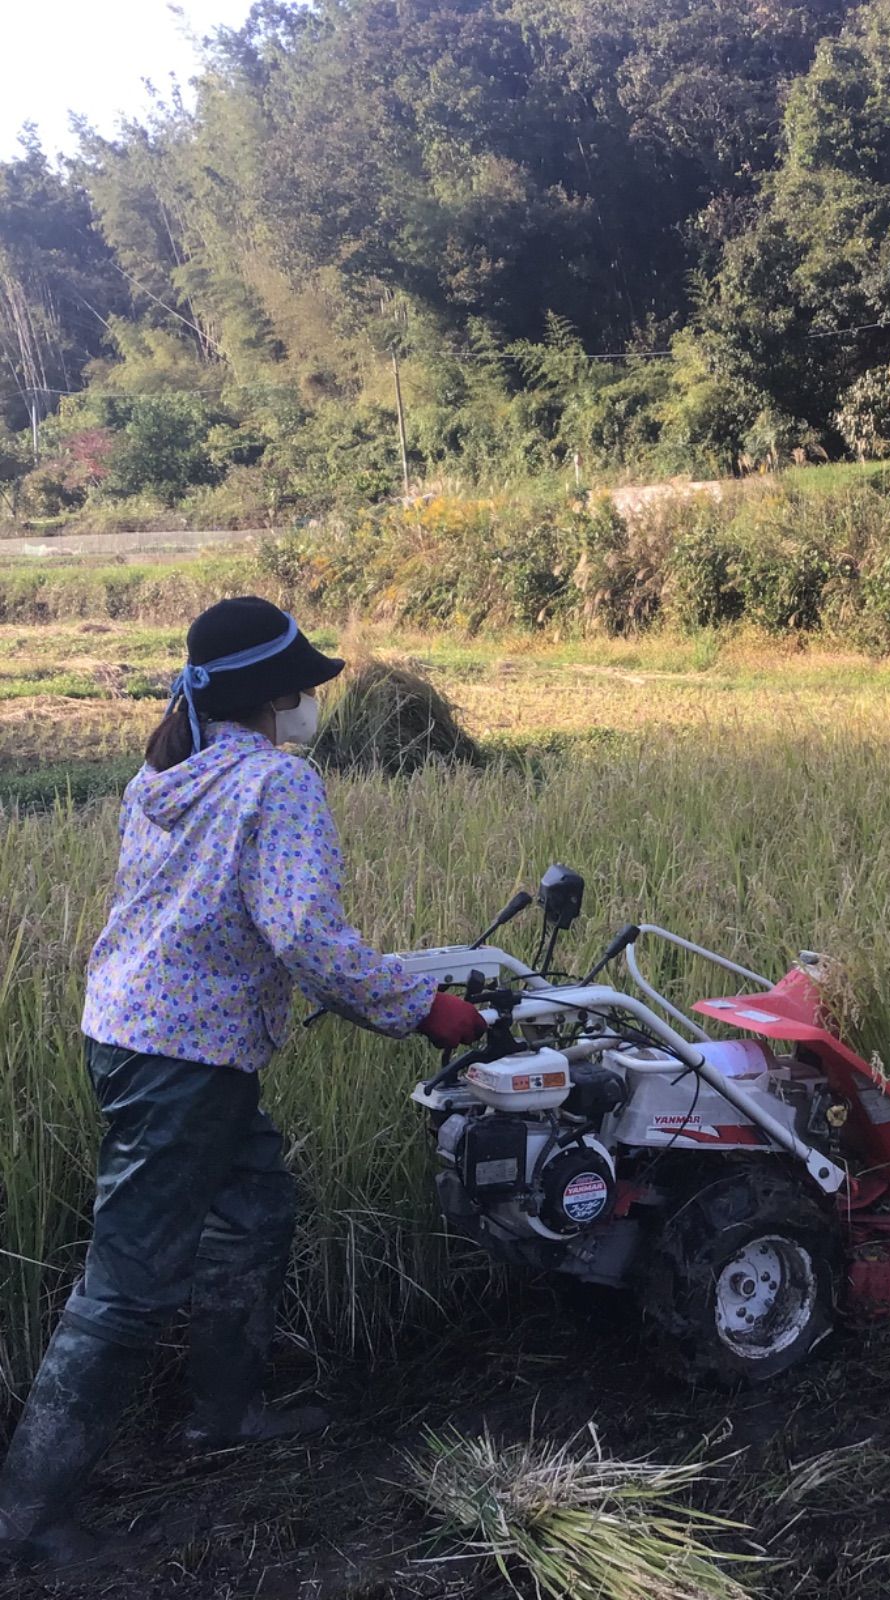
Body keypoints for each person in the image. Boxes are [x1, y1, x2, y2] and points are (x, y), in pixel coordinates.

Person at [0, 596, 487, 1570]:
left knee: (255, 1204)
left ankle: (223, 1413)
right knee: (127, 1287)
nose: (310, 702)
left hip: (134, 1034)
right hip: (185, 1058)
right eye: (303, 686)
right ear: (274, 695)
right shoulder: (277, 783)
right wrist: (423, 1008)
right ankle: (28, 1513)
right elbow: (304, 936)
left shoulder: (163, 771)